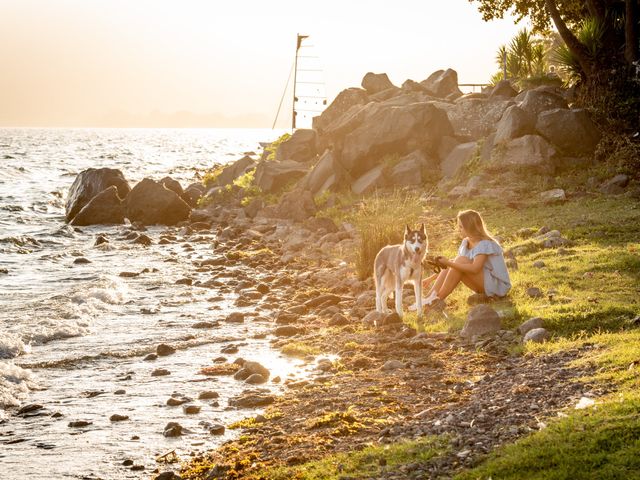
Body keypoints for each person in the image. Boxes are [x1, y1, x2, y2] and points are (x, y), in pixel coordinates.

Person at [421, 209, 511, 310]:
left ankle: (436, 300)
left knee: (459, 261)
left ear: (470, 228)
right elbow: (454, 266)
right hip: (483, 284)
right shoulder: (465, 242)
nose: (458, 229)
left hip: (498, 286)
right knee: (457, 261)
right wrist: (430, 279)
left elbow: (474, 269)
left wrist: (448, 263)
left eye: (461, 227)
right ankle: (427, 298)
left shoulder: (484, 244)